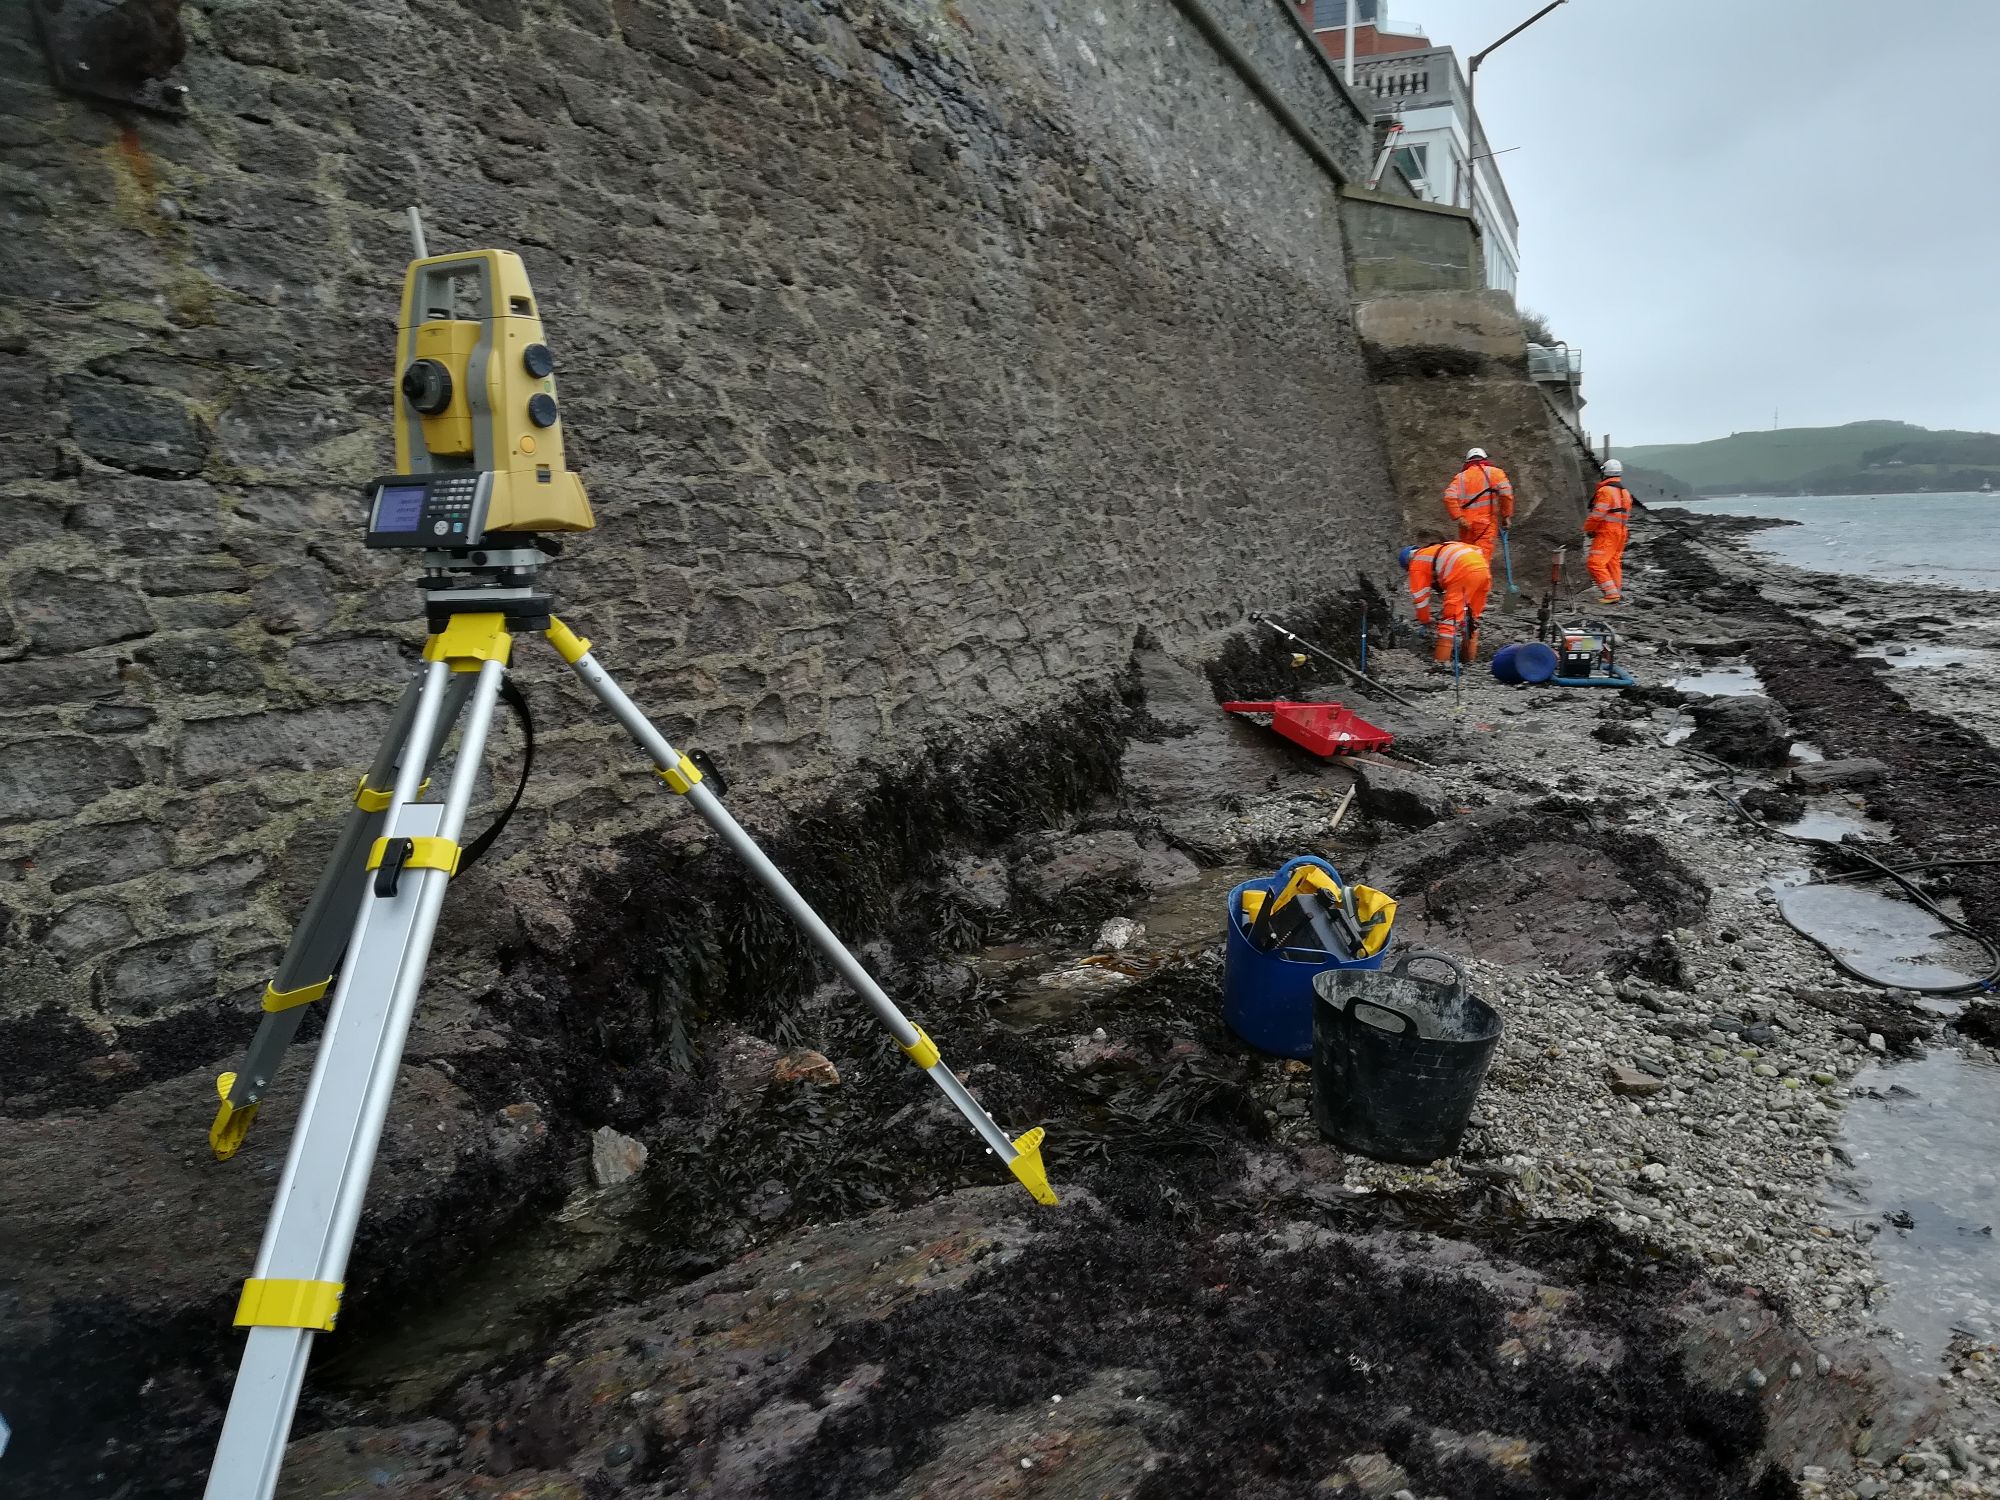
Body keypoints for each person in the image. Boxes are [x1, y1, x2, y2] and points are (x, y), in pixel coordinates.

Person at [1401, 539, 1492, 666]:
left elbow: (1420, 598)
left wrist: (1425, 620)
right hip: (1483, 570)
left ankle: (1441, 664)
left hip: (1463, 573)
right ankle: (1469, 660)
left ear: (1407, 563)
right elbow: (1477, 550)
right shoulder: (1436, 549)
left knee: (1450, 621)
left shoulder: (1416, 563)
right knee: (1471, 618)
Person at [1441, 447, 1514, 562]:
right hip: (1486, 525)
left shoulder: (1460, 478)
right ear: (1484, 459)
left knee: (1467, 561)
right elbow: (1506, 493)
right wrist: (1506, 516)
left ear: (1468, 461)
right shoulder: (1495, 473)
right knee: (1481, 564)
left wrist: (1459, 517)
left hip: (1466, 526)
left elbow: (1449, 497)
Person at [1585, 459, 1634, 604]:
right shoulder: (1624, 492)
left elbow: (1598, 514)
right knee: (1613, 562)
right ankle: (1616, 592)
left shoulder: (1605, 491)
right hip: (1621, 533)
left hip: (1607, 533)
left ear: (1604, 472)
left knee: (1595, 563)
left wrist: (1588, 528)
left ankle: (1611, 594)